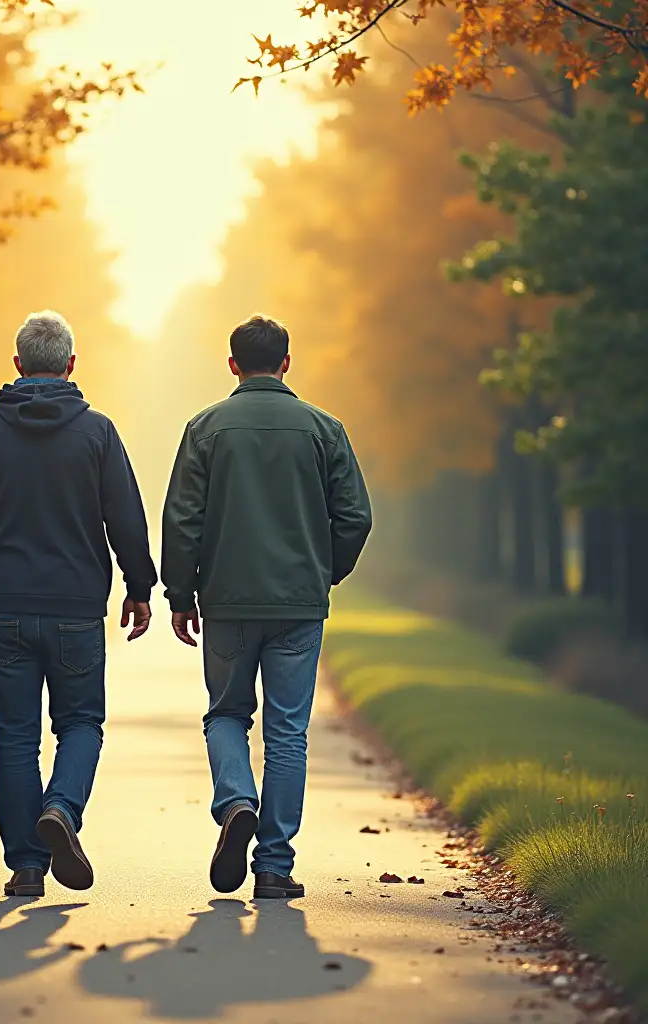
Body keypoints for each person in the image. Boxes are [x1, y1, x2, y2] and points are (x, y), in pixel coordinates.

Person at [0, 310, 157, 898]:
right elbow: (125, 517)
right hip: (77, 608)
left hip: (4, 606)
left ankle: (27, 866)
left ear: (17, 365)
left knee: (16, 737)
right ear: (71, 366)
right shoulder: (97, 433)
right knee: (81, 721)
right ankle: (61, 808)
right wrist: (138, 585)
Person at [162, 314, 371, 900]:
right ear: (286, 362)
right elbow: (355, 516)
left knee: (226, 713)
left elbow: (182, 518)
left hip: (227, 601)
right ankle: (274, 866)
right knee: (287, 732)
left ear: (233, 365)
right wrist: (323, 573)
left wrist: (181, 595)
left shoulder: (205, 429)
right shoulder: (323, 429)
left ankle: (235, 801)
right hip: (298, 604)